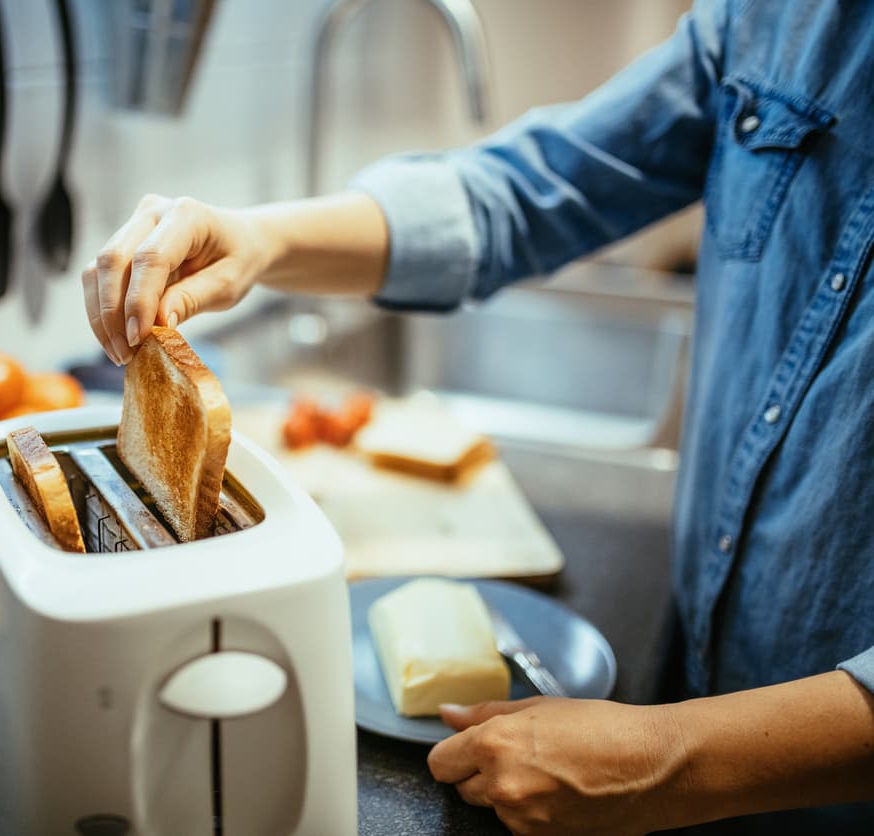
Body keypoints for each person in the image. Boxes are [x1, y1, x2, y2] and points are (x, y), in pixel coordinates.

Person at [82, 1, 874, 833]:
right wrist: (258, 239)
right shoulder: (778, 17)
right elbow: (532, 189)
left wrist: (672, 754)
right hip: (697, 676)